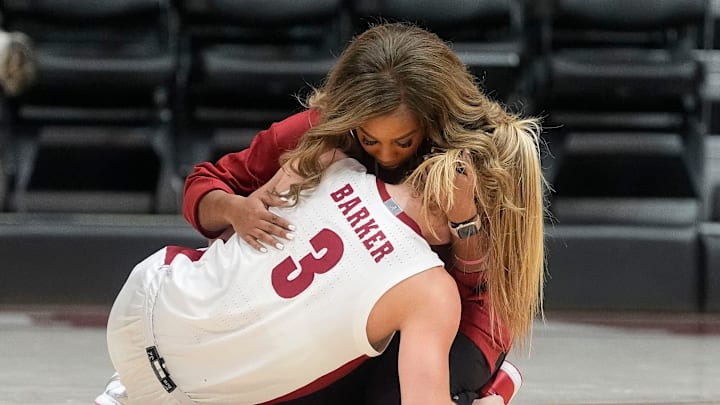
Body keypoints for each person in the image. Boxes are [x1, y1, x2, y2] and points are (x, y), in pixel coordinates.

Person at [181, 22, 546, 405]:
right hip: (347, 316)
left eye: (404, 142)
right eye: (369, 140)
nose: (386, 155)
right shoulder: (323, 131)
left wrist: (464, 222)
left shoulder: (476, 156)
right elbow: (203, 183)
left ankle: (491, 391)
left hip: (454, 318)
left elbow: (482, 295)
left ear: (434, 122)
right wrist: (234, 209)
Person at [102, 148, 510, 404]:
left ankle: (129, 391)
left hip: (140, 310)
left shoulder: (329, 160)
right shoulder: (432, 290)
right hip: (202, 395)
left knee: (239, 268)